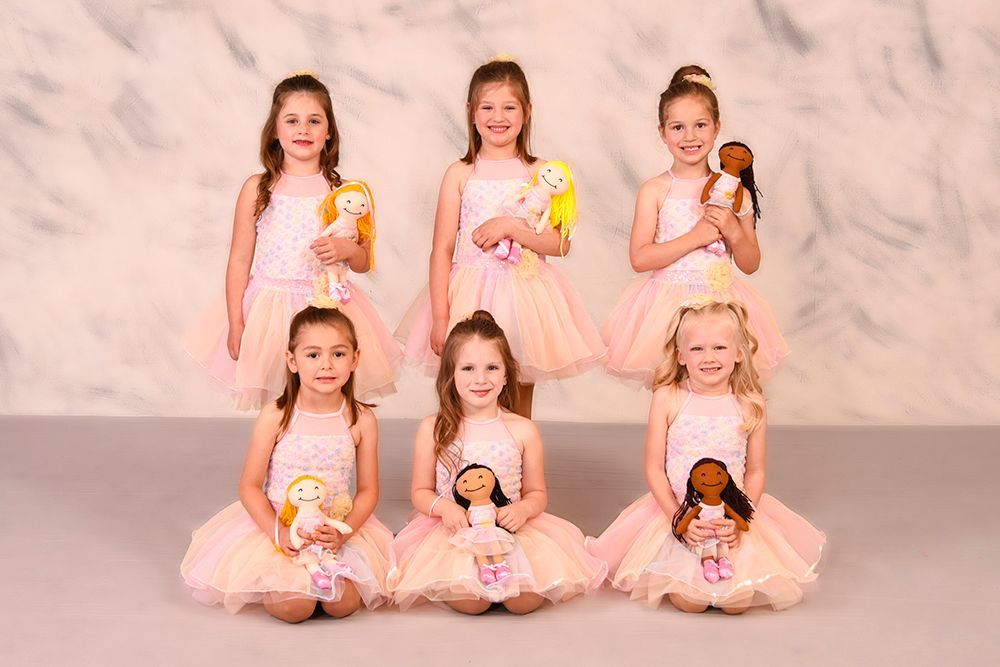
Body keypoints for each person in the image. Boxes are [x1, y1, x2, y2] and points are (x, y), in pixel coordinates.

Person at [396, 57, 604, 418]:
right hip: (470, 292)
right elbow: (442, 249)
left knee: (519, 383)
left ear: (527, 111)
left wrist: (510, 227)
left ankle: (517, 464)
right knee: (470, 386)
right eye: (487, 107)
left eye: (509, 107)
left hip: (526, 295)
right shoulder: (461, 173)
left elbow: (560, 244)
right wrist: (442, 317)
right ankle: (471, 466)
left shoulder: (543, 173)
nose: (498, 117)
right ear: (471, 113)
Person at [587, 299, 824, 612]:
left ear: (739, 353)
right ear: (681, 356)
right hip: (680, 512)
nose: (708, 358)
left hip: (731, 513)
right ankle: (683, 565)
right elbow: (654, 468)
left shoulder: (750, 403)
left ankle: (728, 561)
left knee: (737, 603)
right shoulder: (668, 398)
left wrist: (740, 520)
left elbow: (754, 472)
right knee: (691, 602)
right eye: (697, 349)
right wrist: (678, 518)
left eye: (720, 348)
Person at [187, 72, 400, 409]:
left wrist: (349, 249)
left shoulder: (345, 193)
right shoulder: (258, 189)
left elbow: (363, 261)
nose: (303, 129)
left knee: (326, 394)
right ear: (275, 129)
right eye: (292, 120)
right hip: (270, 309)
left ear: (328, 130)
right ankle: (282, 459)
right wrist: (236, 322)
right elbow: (240, 260)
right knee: (279, 400)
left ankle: (325, 455)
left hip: (327, 306)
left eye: (314, 121)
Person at [181, 307, 393, 622]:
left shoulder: (360, 419)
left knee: (342, 604)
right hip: (281, 526)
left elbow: (367, 491)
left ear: (355, 359)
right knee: (295, 608)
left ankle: (325, 572)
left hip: (331, 526)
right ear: (292, 360)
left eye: (338, 353)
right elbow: (249, 487)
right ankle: (289, 579)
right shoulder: (277, 416)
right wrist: (278, 533)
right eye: (312, 355)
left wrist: (343, 533)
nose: (326, 365)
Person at [388, 311, 607, 613]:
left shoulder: (522, 429)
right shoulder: (434, 427)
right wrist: (445, 508)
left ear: (507, 375)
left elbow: (537, 493)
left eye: (492, 367)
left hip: (509, 530)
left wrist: (522, 509)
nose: (481, 379)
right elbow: (421, 491)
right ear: (450, 375)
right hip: (456, 532)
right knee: (472, 601)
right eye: (468, 368)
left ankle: (510, 572)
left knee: (524, 600)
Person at [602, 65, 788, 388]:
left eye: (700, 125)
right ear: (662, 132)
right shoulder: (655, 190)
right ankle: (670, 440)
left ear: (717, 128)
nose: (690, 137)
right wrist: (696, 237)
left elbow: (751, 262)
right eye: (678, 127)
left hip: (721, 303)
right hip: (668, 307)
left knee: (723, 387)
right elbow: (640, 258)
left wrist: (732, 229)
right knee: (672, 391)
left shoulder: (734, 192)